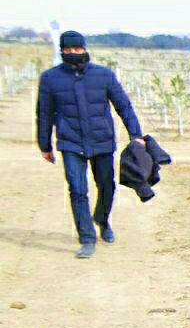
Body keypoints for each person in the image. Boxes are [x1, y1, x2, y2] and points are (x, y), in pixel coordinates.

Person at [37, 30, 145, 258]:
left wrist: (135, 134)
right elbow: (44, 114)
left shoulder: (104, 75)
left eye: (77, 49)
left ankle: (102, 220)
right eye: (68, 50)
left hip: (102, 140)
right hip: (70, 142)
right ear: (62, 51)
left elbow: (123, 105)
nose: (73, 53)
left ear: (85, 49)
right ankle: (86, 238)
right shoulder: (50, 78)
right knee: (77, 189)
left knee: (107, 186)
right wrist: (44, 145)